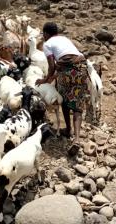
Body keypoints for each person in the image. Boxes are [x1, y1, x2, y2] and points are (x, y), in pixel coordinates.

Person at [36, 22, 89, 154]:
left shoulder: (47, 44)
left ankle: (68, 129)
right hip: (81, 69)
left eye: (43, 34)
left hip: (66, 72)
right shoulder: (64, 39)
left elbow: (52, 66)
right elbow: (68, 57)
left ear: (46, 34)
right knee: (77, 105)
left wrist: (45, 79)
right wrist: (53, 77)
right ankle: (76, 139)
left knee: (64, 99)